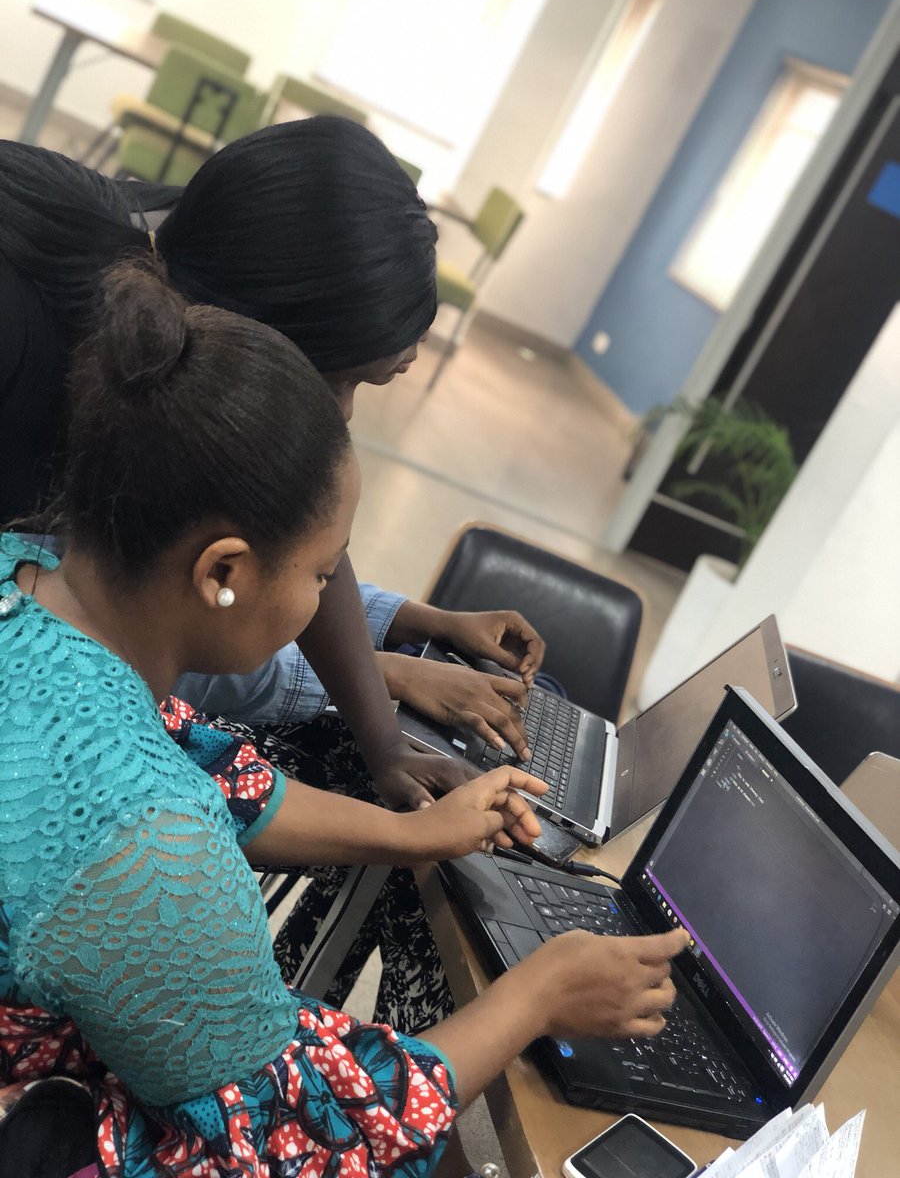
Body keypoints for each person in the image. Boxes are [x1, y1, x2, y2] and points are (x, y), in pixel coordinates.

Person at [0, 262, 687, 1176]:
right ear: (223, 573)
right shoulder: (145, 853)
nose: (331, 599)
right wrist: (537, 997)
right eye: (324, 575)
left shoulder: (26, 586)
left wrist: (416, 834)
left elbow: (212, 775)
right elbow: (306, 1134)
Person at [0, 123, 544, 1031]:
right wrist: (532, 1000)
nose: (336, 422)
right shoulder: (46, 358)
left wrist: (385, 738)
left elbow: (218, 737)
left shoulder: (165, 284)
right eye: (345, 382)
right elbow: (278, 1103)